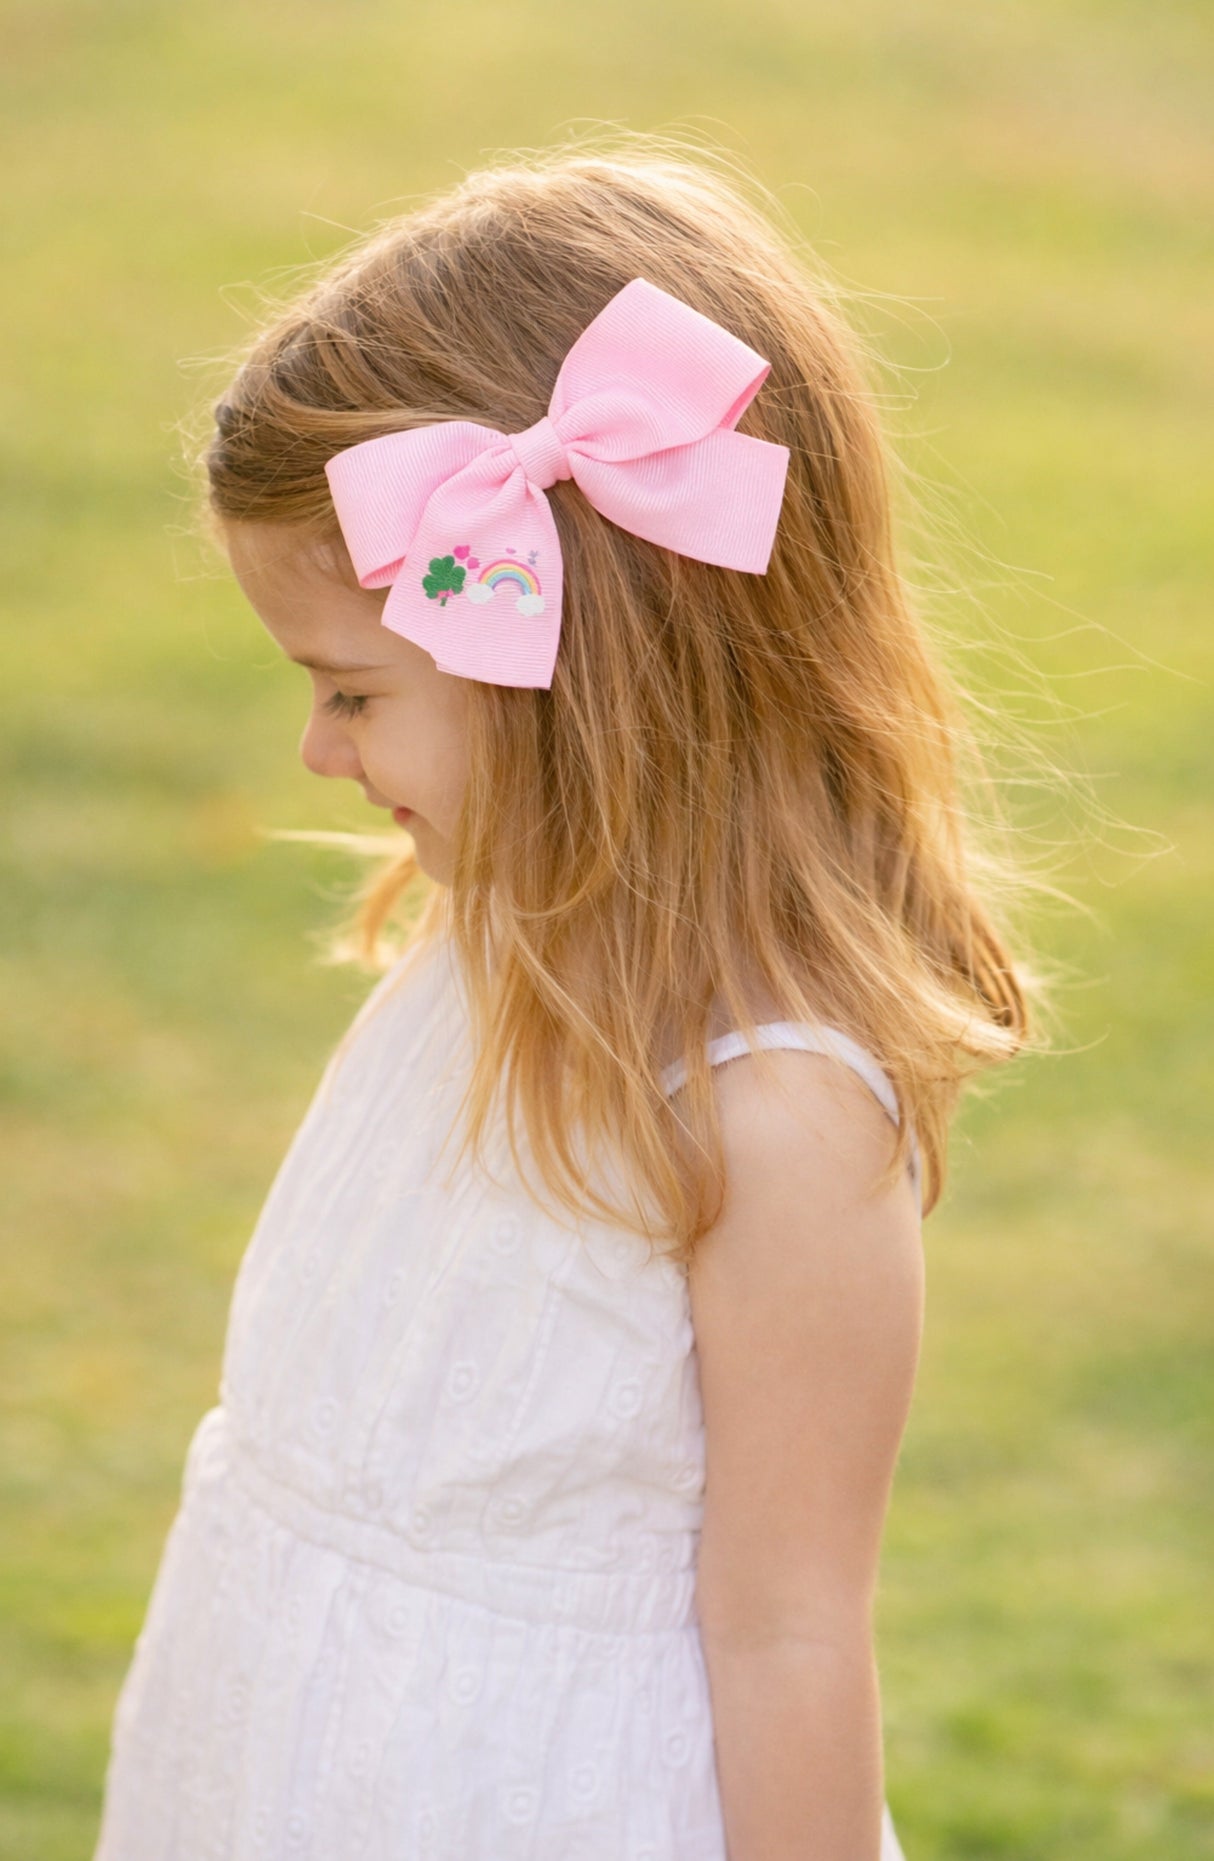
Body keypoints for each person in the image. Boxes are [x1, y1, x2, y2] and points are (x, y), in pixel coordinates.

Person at [92, 136, 1045, 1860]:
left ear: (571, 662)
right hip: (278, 1753)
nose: (316, 752)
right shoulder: (494, 944)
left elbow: (788, 1628)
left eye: (352, 691)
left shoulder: (774, 1112)